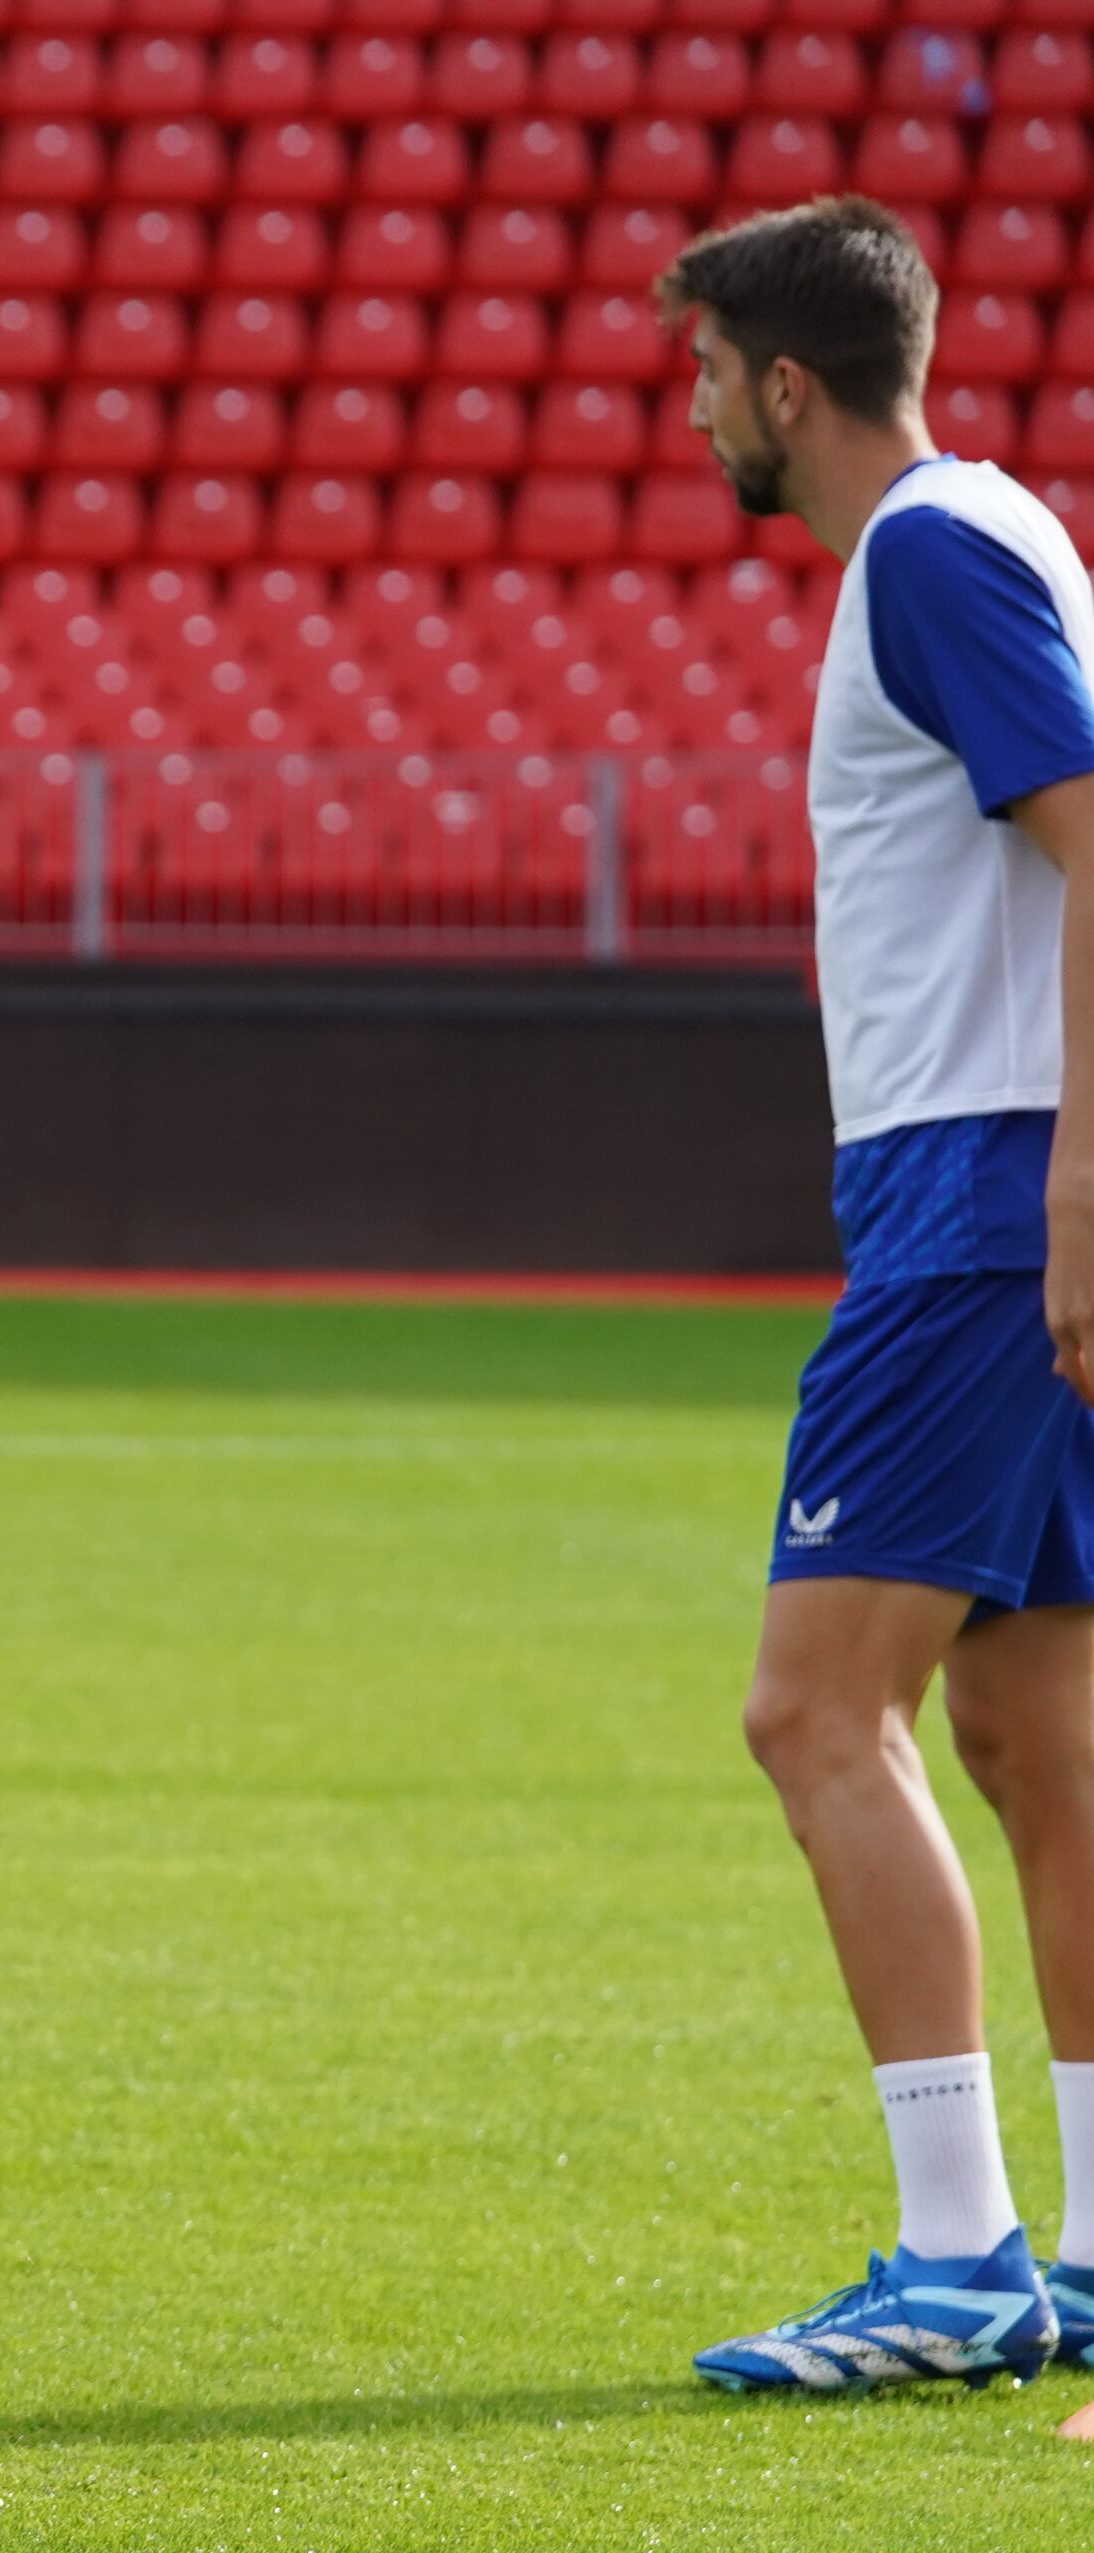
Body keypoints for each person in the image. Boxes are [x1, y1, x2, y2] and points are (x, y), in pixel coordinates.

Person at [670, 199, 1094, 2394]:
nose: (695, 411)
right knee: (1037, 1728)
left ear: (786, 384)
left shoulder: (922, 551)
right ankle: (1084, 2245)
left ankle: (958, 2253)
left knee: (813, 1711)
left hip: (978, 1190)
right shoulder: (1004, 524)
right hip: (1013, 1174)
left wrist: (1075, 1176)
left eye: (706, 374)